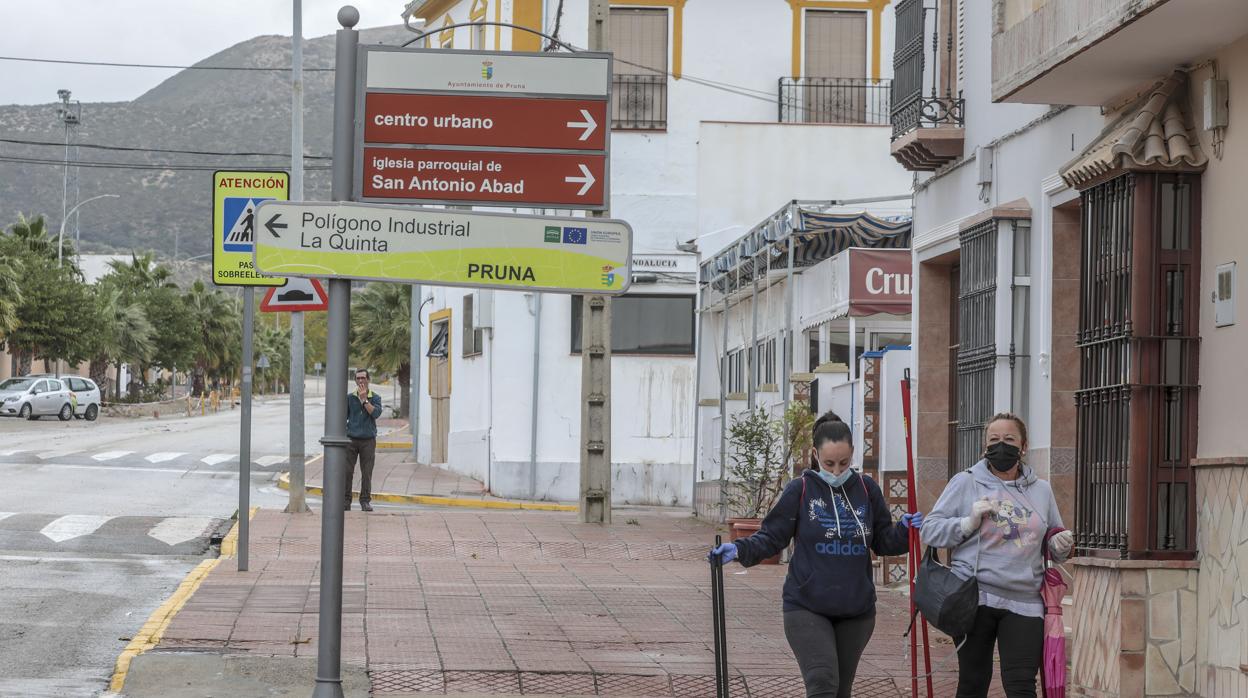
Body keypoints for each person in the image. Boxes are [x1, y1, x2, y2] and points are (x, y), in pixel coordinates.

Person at [709, 412, 924, 698]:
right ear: (815, 455)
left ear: (852, 455)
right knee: (822, 683)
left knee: (840, 691)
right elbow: (773, 536)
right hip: (806, 606)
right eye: (829, 463)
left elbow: (884, 541)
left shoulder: (866, 489)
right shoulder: (801, 489)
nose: (836, 471)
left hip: (856, 611)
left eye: (844, 463)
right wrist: (738, 549)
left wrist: (904, 531)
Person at [920, 412, 1074, 698]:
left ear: (1023, 446)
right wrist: (968, 522)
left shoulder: (1041, 490)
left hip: (1025, 600)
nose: (1001, 446)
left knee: (1021, 685)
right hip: (975, 597)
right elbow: (930, 530)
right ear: (985, 447)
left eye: (1009, 439)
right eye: (994, 440)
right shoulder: (965, 482)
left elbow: (1052, 537)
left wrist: (1061, 546)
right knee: (973, 682)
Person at [346, 368, 382, 512]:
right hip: (351, 440)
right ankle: (346, 501)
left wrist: (364, 400)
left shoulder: (376, 397)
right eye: (358, 378)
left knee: (367, 472)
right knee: (347, 471)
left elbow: (376, 413)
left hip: (368, 440)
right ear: (355, 380)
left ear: (368, 380)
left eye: (363, 378)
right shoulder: (349, 398)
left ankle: (365, 501)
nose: (361, 381)